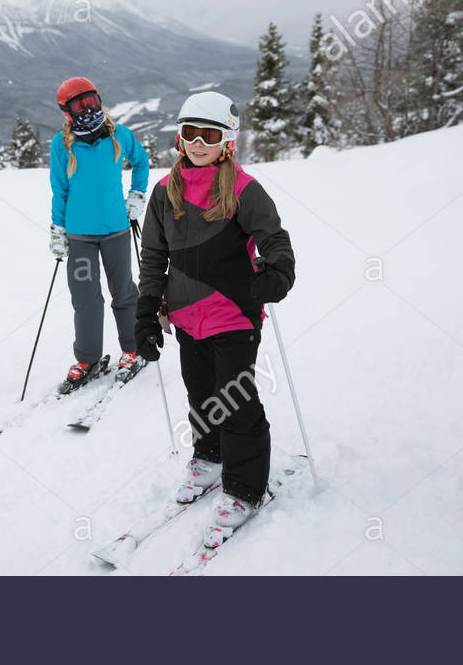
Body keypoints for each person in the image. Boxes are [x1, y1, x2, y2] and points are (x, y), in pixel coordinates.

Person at [135, 91, 295, 548]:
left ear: (227, 140)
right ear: (179, 139)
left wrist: (278, 271)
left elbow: (275, 239)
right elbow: (153, 256)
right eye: (190, 134)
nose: (198, 142)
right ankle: (207, 458)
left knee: (235, 399)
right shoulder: (166, 193)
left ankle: (245, 485)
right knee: (201, 392)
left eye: (210, 134)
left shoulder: (244, 190)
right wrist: (146, 313)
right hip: (185, 316)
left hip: (234, 314)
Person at [49, 77, 150, 392]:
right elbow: (60, 190)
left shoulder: (119, 136)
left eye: (92, 100)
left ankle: (132, 350)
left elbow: (142, 162)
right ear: (67, 111)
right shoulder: (61, 144)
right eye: (80, 105)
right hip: (79, 236)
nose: (89, 108)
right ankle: (88, 358)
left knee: (124, 291)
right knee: (85, 297)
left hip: (116, 230)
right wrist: (58, 228)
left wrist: (136, 196)